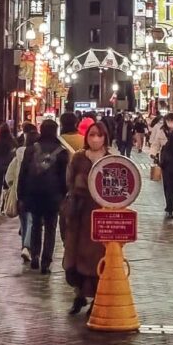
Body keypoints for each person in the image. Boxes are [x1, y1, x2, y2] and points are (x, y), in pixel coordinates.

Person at [62, 121, 108, 315]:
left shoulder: (110, 159)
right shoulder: (79, 158)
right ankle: (79, 294)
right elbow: (69, 182)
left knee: (98, 259)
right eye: (92, 135)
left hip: (101, 216)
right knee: (75, 256)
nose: (95, 139)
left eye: (99, 135)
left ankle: (97, 298)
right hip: (79, 215)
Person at [17, 119, 68, 273]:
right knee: (51, 228)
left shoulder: (31, 149)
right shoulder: (61, 151)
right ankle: (46, 261)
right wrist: (63, 195)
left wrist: (21, 195)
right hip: (53, 195)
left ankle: (35, 255)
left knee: (36, 225)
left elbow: (23, 173)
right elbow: (64, 177)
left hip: (33, 193)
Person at [4, 125, 38, 261]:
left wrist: (12, 186)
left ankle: (25, 246)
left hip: (20, 193)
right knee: (30, 220)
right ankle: (27, 247)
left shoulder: (18, 155)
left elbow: (9, 176)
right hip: (34, 193)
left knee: (24, 222)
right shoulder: (39, 155)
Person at [151, 112, 173, 217]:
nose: (170, 122)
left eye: (172, 120)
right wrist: (153, 154)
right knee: (167, 185)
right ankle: (169, 207)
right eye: (168, 120)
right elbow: (156, 143)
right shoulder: (161, 131)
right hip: (166, 162)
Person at [0, 123, 18, 210]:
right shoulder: (12, 140)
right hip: (9, 165)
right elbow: (16, 150)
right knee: (7, 185)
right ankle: (4, 203)